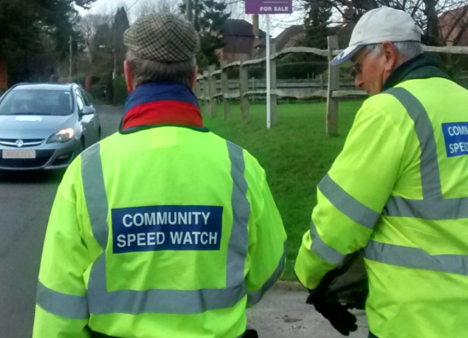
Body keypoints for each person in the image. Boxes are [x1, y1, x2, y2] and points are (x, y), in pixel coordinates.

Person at [33, 13, 287, 338]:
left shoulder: (85, 172)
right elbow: (267, 271)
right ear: (194, 76)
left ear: (128, 75)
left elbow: (58, 310)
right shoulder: (241, 166)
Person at [295, 6, 468, 338]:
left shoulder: (389, 111)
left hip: (413, 320)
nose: (359, 80)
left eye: (358, 66)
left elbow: (340, 220)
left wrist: (310, 274)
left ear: (388, 54)